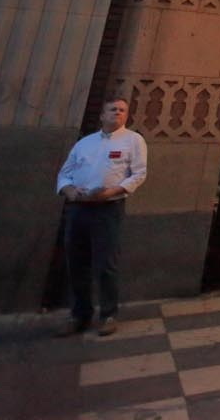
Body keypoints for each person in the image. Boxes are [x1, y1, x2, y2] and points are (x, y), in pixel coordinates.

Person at [55, 97, 148, 336]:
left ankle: (108, 314)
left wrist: (112, 192)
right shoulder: (84, 144)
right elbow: (65, 174)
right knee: (77, 262)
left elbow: (138, 174)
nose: (118, 113)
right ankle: (79, 314)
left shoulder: (133, 140)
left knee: (106, 263)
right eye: (113, 109)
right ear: (102, 115)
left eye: (122, 110)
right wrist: (69, 191)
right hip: (78, 207)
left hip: (108, 208)